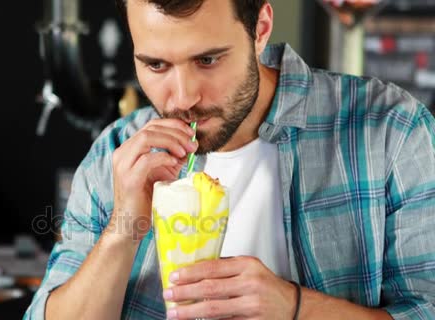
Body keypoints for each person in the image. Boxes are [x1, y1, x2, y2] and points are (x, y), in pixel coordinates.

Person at [24, 0, 435, 319]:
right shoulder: (115, 153)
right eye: (156, 64)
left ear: (260, 29)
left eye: (207, 60)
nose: (182, 98)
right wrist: (122, 229)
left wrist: (295, 309)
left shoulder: (391, 132)